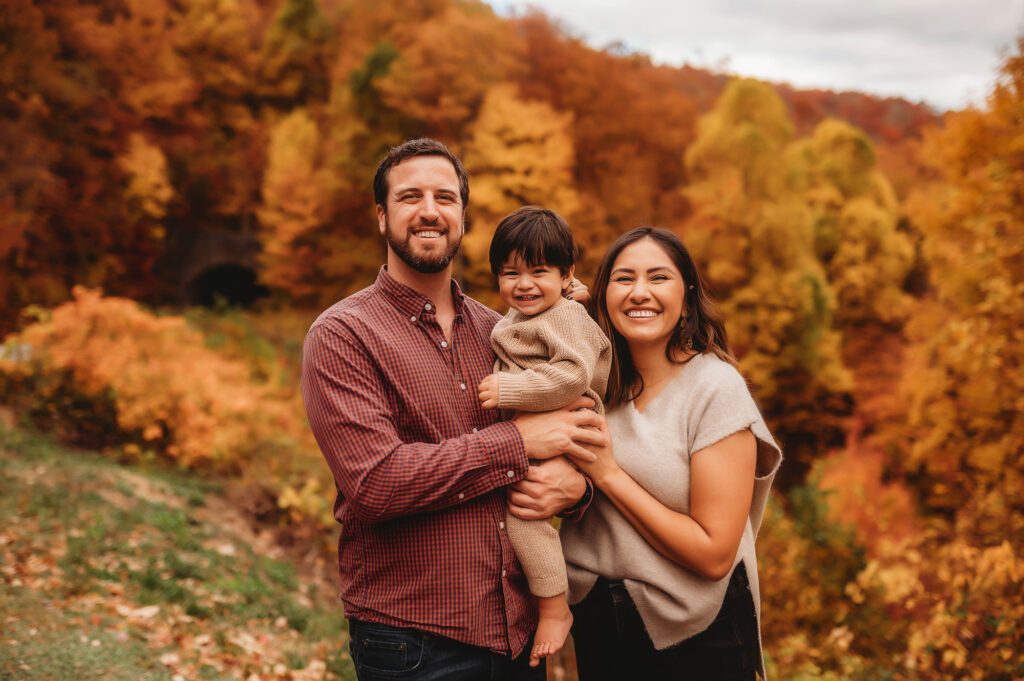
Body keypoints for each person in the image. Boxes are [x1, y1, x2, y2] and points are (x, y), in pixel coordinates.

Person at [300, 138, 605, 681]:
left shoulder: (505, 331)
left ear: (462, 216)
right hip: (414, 641)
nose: (429, 211)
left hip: (517, 634)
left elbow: (578, 426)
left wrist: (577, 489)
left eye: (444, 197)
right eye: (409, 196)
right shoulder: (344, 335)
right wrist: (516, 444)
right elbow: (376, 484)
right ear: (381, 216)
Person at [559, 227, 783, 681]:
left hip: (698, 638)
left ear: (688, 295)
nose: (640, 292)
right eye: (624, 279)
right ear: (603, 297)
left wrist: (609, 475)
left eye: (658, 277)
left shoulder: (714, 389)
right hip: (599, 627)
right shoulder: (594, 385)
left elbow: (714, 554)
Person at [477, 206, 612, 668]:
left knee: (523, 518)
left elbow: (574, 375)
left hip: (572, 429)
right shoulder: (528, 315)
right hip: (540, 432)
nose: (524, 284)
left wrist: (508, 389)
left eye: (539, 272)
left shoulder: (566, 316)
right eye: (510, 273)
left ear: (566, 274)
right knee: (523, 511)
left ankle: (555, 610)